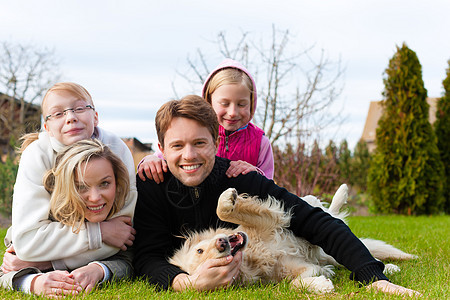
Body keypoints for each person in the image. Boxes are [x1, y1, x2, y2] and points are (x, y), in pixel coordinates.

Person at [133, 95, 420, 296]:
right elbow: (147, 257)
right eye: (177, 146)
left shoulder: (240, 179)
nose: (189, 155)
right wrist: (189, 283)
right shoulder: (151, 183)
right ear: (161, 147)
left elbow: (313, 221)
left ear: (216, 141)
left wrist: (372, 276)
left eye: (199, 143)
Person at [3, 82, 136, 283]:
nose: (71, 117)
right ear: (47, 128)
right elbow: (28, 243)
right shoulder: (37, 155)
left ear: (96, 116)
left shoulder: (117, 149)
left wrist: (44, 263)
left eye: (80, 108)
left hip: (84, 254)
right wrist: (98, 233)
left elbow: (121, 235)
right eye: (57, 113)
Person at [1, 139, 133, 296]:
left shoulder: (119, 217)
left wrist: (98, 270)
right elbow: (7, 270)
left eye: (104, 183)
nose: (95, 197)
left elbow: (128, 261)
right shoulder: (38, 227)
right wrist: (35, 283)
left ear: (117, 183)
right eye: (81, 187)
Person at [137, 58, 274, 183]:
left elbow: (269, 185)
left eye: (242, 104)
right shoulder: (193, 132)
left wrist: (255, 174)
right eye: (225, 104)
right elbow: (167, 154)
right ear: (209, 102)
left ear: (252, 103)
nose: (233, 113)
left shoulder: (260, 142)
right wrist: (150, 160)